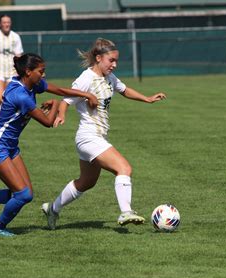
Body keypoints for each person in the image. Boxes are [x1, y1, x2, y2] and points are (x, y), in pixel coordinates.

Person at [0, 53, 98, 237]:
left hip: (9, 146)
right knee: (22, 195)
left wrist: (86, 94)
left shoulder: (32, 84)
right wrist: (56, 104)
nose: (44, 75)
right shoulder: (20, 95)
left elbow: (61, 91)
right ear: (28, 71)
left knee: (25, 194)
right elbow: (48, 122)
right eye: (41, 71)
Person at [41, 38, 166, 230]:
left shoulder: (108, 78)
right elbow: (67, 100)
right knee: (124, 168)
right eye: (111, 60)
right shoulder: (86, 78)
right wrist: (62, 115)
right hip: (88, 137)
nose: (114, 65)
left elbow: (124, 90)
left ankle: (53, 209)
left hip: (95, 138)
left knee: (86, 182)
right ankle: (126, 211)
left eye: (116, 61)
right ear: (98, 58)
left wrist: (147, 99)